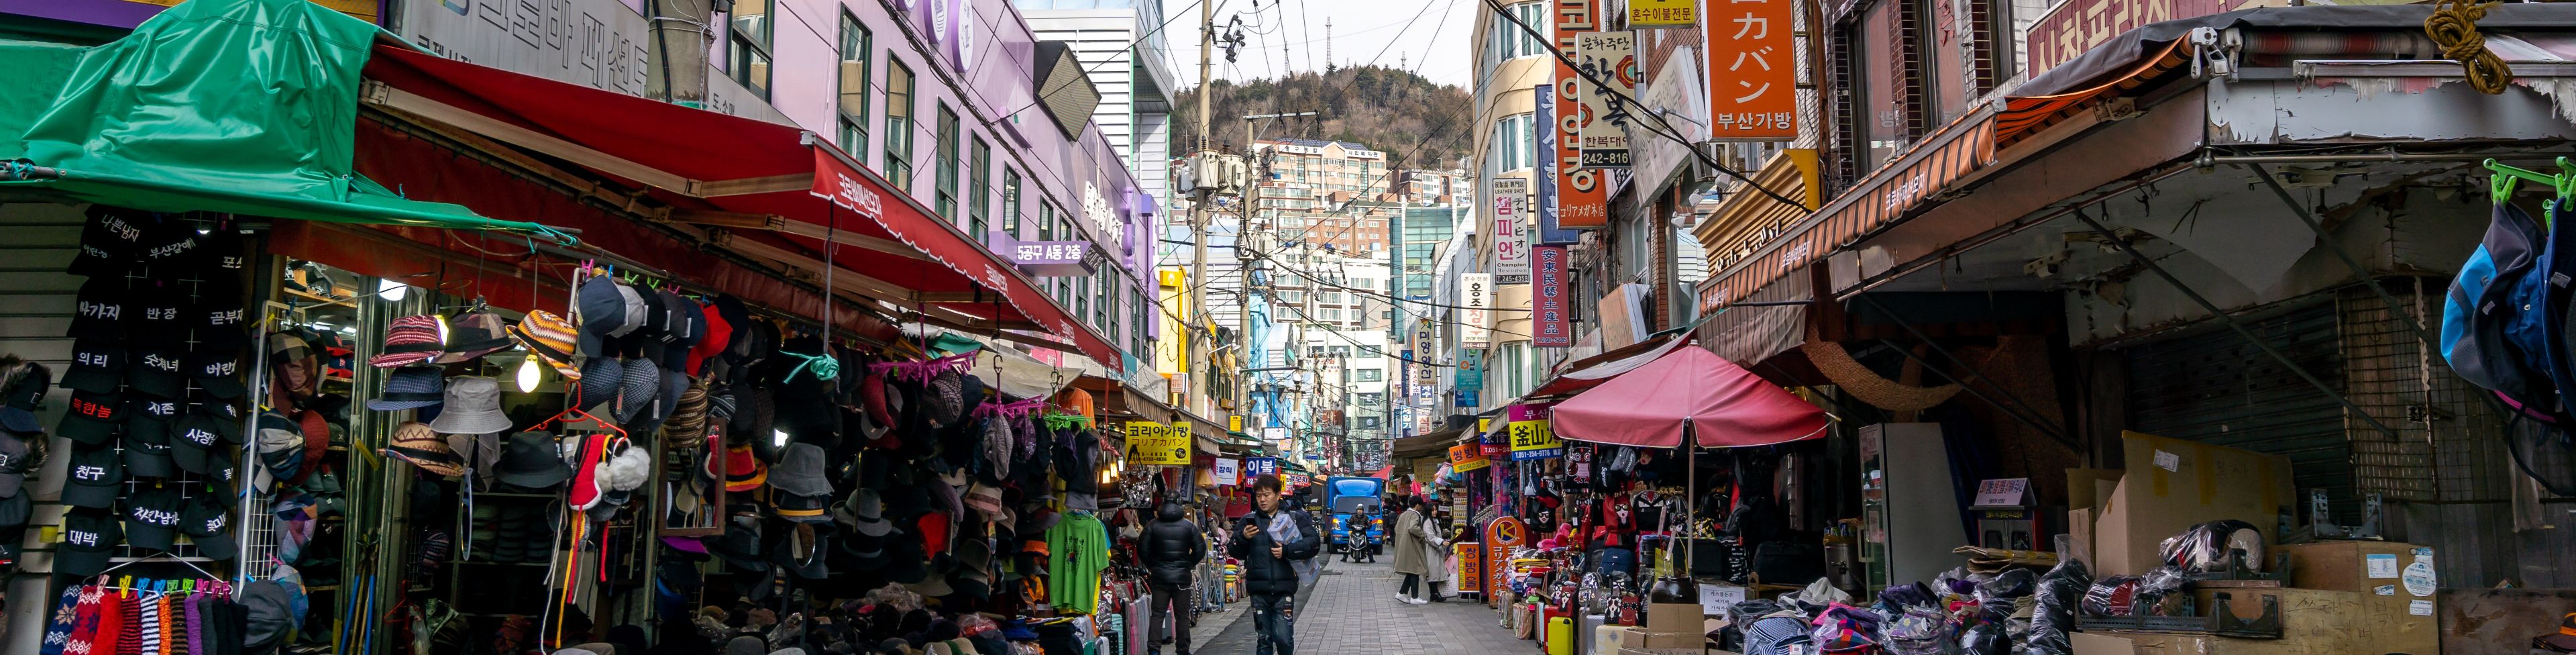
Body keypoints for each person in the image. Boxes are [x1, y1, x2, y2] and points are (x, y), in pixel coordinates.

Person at [1231, 475, 1318, 655]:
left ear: (1278, 495)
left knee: (1284, 638)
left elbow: (1314, 543)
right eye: (1258, 496)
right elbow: (1234, 551)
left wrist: (1287, 551)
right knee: (1264, 640)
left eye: (1267, 495)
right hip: (1258, 590)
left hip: (1283, 589)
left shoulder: (1294, 518)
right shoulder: (1249, 520)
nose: (1262, 500)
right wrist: (1243, 537)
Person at [1140, 499, 1207, 655]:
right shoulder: (1189, 526)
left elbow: (1142, 548)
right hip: (1182, 578)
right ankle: (1183, 650)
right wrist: (1188, 564)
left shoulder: (1152, 526)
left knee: (1158, 614)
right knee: (1182, 616)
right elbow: (1200, 548)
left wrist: (1153, 565)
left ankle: (1154, 650)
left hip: (1160, 577)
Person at [1391, 495, 1432, 604]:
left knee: (1411, 570)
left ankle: (1401, 593)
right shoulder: (1415, 515)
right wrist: (1423, 534)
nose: (1421, 508)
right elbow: (1413, 528)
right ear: (1418, 505)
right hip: (1412, 546)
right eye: (1421, 505)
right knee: (1415, 570)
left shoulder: (1403, 515)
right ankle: (1415, 597)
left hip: (1403, 546)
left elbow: (1396, 529)